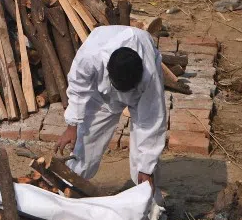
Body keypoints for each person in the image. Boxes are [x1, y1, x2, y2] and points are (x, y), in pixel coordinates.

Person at [55, 25, 166, 188]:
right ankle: (68, 189)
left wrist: (146, 167)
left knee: (145, 166)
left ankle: (151, 206)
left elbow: (151, 121)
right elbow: (78, 87)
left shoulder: (150, 75)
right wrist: (72, 125)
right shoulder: (91, 56)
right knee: (85, 141)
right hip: (102, 96)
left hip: (140, 95)